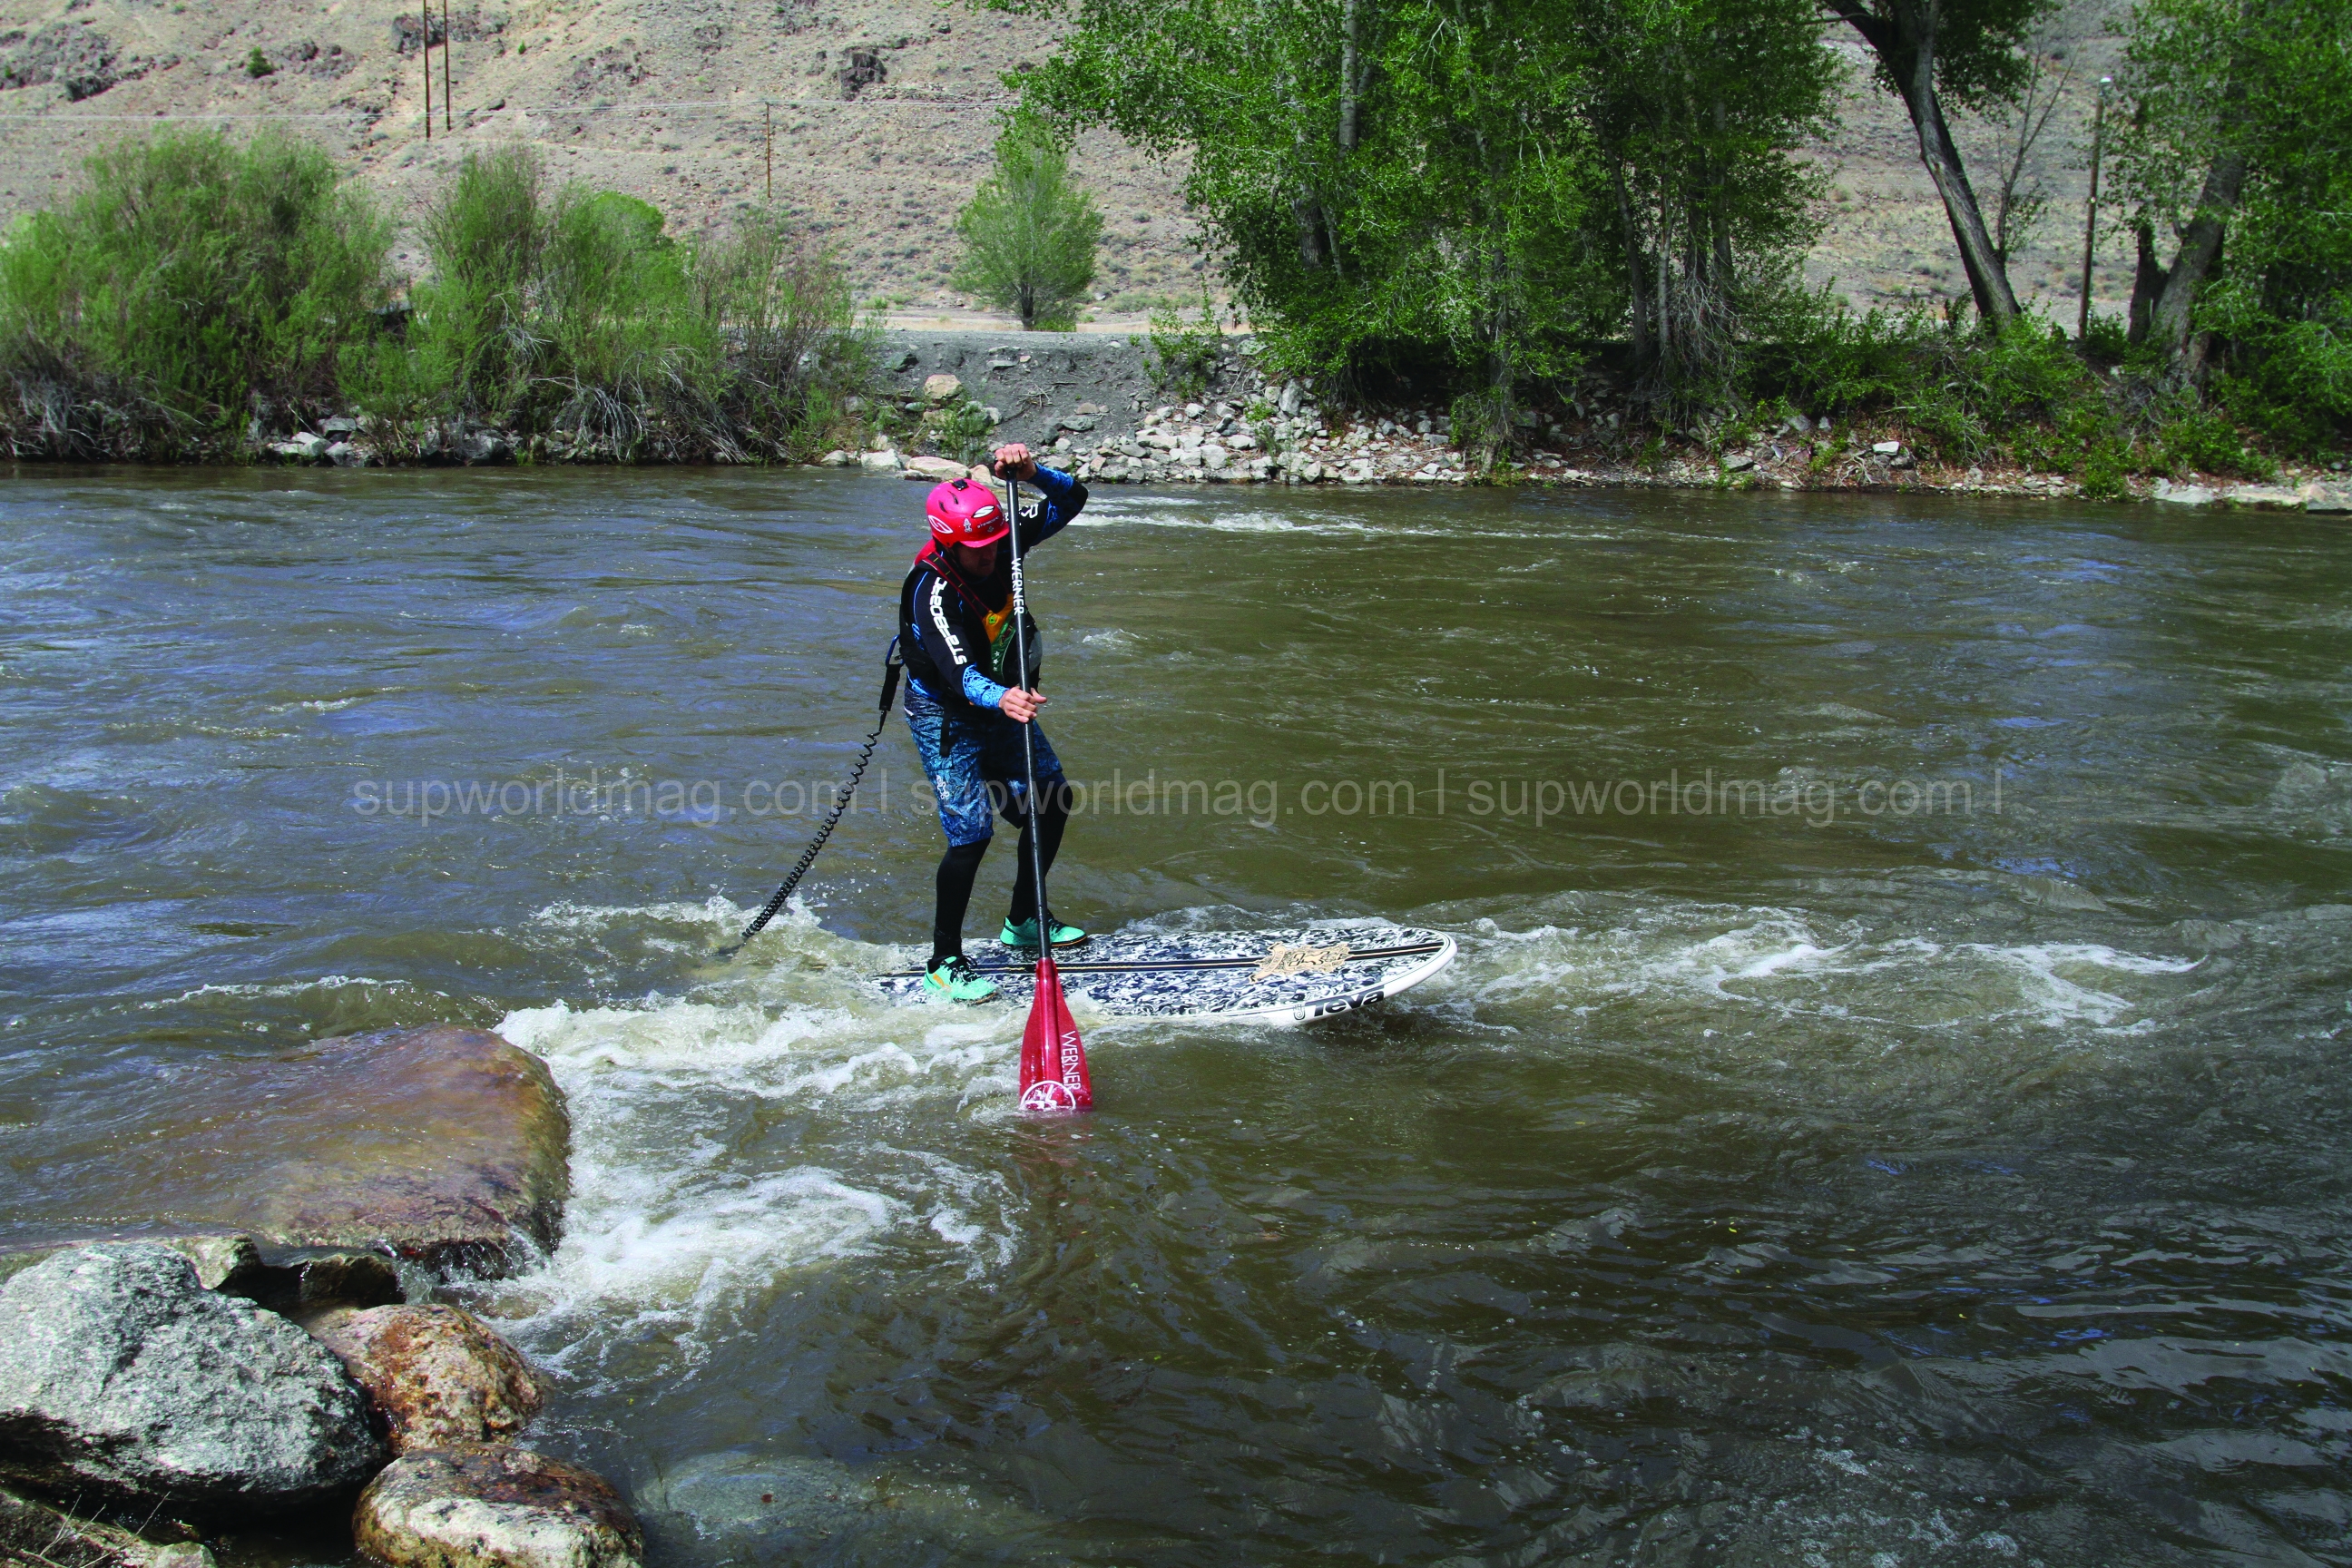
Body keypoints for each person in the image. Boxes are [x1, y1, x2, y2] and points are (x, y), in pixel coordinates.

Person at [899, 443, 1089, 1003]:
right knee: (971, 835)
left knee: (1051, 801)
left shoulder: (1002, 539)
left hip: (1007, 701)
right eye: (975, 551)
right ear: (947, 542)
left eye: (993, 545)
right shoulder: (930, 589)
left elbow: (1072, 499)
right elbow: (957, 673)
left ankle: (1024, 920)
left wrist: (1034, 473)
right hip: (948, 713)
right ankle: (943, 962)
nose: (989, 557)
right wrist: (1001, 696)